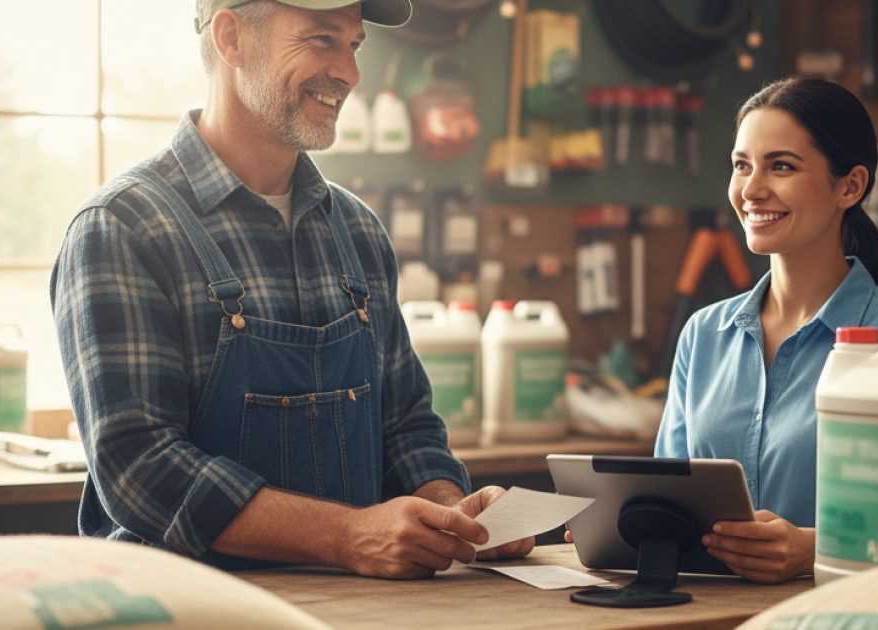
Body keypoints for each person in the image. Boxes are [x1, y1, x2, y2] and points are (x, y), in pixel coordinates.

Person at [50, 0, 532, 578]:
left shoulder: (357, 231)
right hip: (191, 612)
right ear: (232, 39)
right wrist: (348, 536)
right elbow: (142, 468)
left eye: (353, 45)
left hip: (356, 615)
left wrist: (455, 517)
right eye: (322, 39)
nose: (350, 73)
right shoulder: (123, 227)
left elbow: (405, 425)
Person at [653, 77, 878, 584]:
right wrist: (628, 522)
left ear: (849, 186)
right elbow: (668, 496)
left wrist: (813, 549)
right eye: (742, 165)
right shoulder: (703, 334)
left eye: (781, 166)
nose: (751, 189)